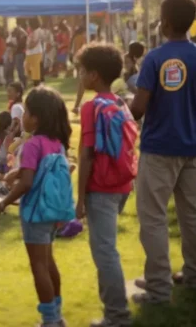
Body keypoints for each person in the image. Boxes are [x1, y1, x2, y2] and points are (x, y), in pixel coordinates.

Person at [129, 0, 196, 304]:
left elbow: (138, 109)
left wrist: (123, 110)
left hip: (159, 147)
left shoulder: (154, 58)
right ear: (191, 22)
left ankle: (158, 287)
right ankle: (194, 275)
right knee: (191, 213)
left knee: (152, 217)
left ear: (163, 23)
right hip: (191, 146)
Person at [0, 86, 73, 327]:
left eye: (26, 112)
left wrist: (4, 202)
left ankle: (50, 319)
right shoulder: (56, 142)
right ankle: (57, 313)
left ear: (36, 117)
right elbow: (37, 171)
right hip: (53, 211)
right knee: (49, 262)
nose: (23, 117)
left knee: (38, 265)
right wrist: (16, 172)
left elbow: (27, 183)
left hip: (35, 213)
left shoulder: (33, 144)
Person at [72, 43, 137, 327]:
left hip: (101, 187)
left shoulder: (91, 107)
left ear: (94, 75)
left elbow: (87, 154)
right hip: (122, 184)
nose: (80, 76)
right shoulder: (121, 102)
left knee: (105, 251)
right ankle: (113, 309)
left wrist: (80, 197)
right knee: (106, 248)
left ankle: (117, 314)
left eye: (82, 71)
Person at [25, 18, 46, 87]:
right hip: (31, 53)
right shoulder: (32, 31)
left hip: (35, 53)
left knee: (35, 69)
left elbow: (35, 42)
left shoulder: (38, 31)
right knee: (28, 67)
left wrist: (28, 46)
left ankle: (36, 83)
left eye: (28, 23)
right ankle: (35, 81)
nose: (27, 24)